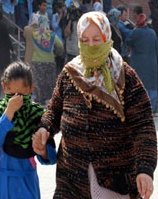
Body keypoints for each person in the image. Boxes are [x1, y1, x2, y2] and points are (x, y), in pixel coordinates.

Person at [33, 11, 157, 199]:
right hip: (71, 179)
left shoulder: (125, 76)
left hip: (114, 183)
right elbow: (54, 111)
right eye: (85, 40)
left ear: (107, 38)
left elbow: (144, 126)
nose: (90, 46)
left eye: (96, 40)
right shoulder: (69, 74)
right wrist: (44, 129)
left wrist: (145, 169)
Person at [0, 61, 56, 199]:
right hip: (0, 181)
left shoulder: (37, 114)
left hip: (26, 182)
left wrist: (43, 150)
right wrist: (8, 114)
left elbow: (51, 157)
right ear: (4, 87)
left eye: (21, 94)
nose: (16, 98)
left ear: (31, 89)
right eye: (11, 93)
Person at [23, 13, 64, 105]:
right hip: (50, 61)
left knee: (38, 80)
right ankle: (50, 99)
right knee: (49, 81)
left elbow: (26, 30)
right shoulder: (52, 35)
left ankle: (39, 98)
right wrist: (58, 53)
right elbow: (60, 46)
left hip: (36, 61)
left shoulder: (33, 34)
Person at [127, 13, 158, 113]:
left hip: (139, 63)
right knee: (152, 86)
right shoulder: (153, 32)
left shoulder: (135, 33)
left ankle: (140, 108)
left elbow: (128, 42)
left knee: (139, 85)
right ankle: (151, 108)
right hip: (152, 63)